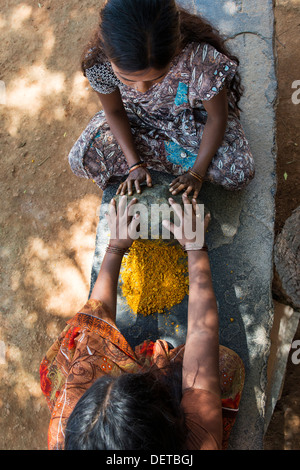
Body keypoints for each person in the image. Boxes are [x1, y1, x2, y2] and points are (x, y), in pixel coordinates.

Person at [40, 195, 245, 450]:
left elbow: (95, 319)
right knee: (224, 365)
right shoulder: (199, 444)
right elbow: (202, 332)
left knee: (84, 344)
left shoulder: (63, 432)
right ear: (172, 424)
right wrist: (195, 248)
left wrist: (115, 247)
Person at [68, 0, 255, 199]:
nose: (141, 89)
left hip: (191, 121)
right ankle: (171, 157)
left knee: (240, 171)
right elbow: (114, 111)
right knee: (81, 157)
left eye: (156, 77)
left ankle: (171, 157)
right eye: (127, 79)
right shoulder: (99, 62)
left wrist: (197, 173)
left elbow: (217, 117)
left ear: (175, 50)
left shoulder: (200, 58)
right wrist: (134, 164)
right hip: (138, 119)